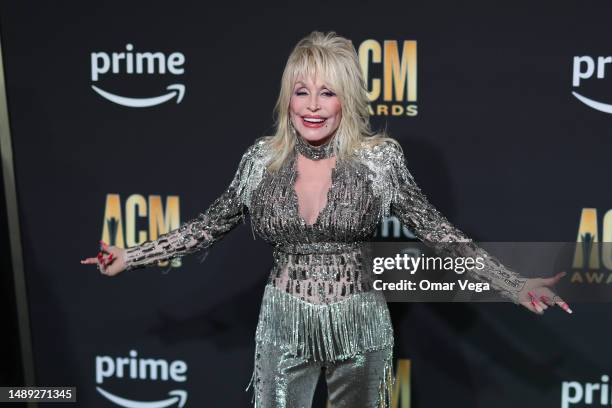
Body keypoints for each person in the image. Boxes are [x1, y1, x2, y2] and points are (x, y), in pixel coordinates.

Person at [81, 31, 572, 407]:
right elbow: (209, 224)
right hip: (283, 322)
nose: (313, 107)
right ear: (286, 98)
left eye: (328, 93)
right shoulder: (261, 160)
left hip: (360, 324)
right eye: (302, 92)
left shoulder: (380, 161)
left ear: (348, 99)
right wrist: (132, 255)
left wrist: (512, 283)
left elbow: (439, 233)